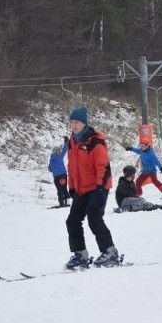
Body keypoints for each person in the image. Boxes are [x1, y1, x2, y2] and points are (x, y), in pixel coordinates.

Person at [64, 106, 119, 269]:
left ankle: (110, 253)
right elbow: (72, 167)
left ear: (84, 124)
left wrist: (100, 189)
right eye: (72, 122)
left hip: (97, 188)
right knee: (72, 221)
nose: (74, 125)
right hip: (81, 189)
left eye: (77, 122)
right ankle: (80, 255)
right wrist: (72, 187)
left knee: (94, 219)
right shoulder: (72, 142)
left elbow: (103, 167)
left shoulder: (95, 142)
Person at [48, 136, 69, 207]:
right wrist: (66, 141)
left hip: (56, 177)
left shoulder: (51, 160)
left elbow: (50, 169)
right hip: (63, 175)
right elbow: (65, 149)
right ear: (57, 151)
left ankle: (62, 203)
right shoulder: (60, 156)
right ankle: (67, 202)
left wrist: (54, 169)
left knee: (59, 190)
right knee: (64, 188)